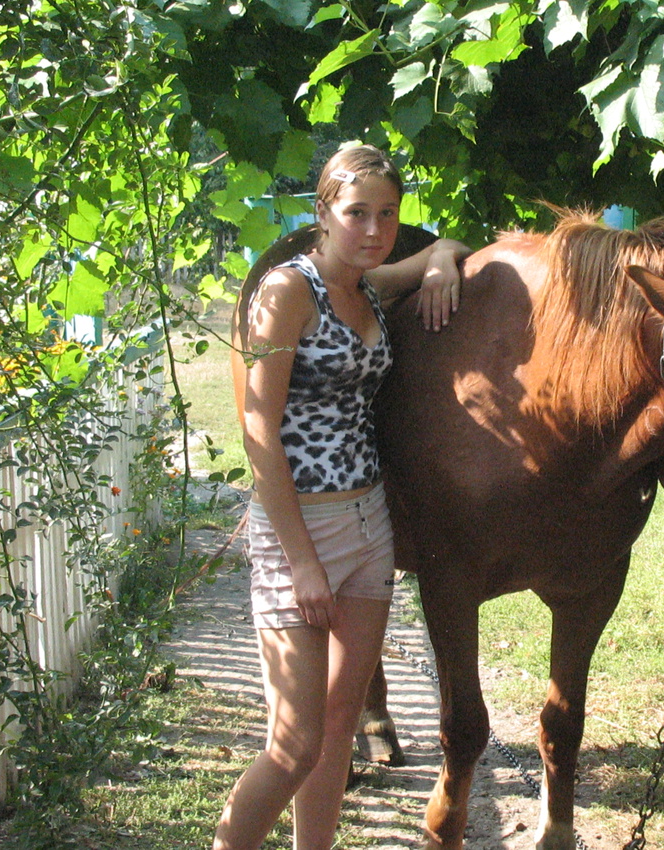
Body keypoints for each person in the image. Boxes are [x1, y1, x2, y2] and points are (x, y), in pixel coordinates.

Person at [215, 142, 471, 850]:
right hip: (300, 531)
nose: (373, 229)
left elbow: (442, 248)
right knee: (293, 743)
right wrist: (300, 561)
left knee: (336, 731)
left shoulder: (369, 286)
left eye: (387, 215)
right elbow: (257, 428)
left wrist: (443, 259)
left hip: (368, 530)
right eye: (357, 213)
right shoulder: (286, 291)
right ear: (322, 211)